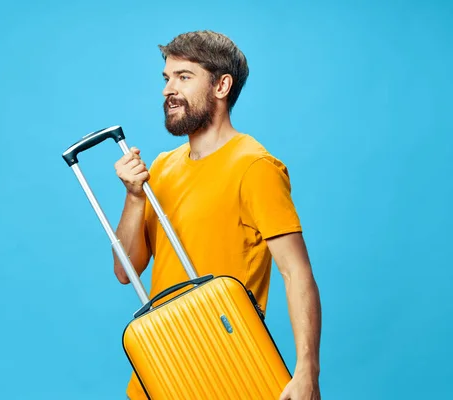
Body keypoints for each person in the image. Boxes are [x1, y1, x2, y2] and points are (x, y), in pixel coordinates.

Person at [113, 30, 322, 400]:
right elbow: (125, 271)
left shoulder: (255, 166)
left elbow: (296, 272)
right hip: (159, 369)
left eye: (183, 77)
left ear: (221, 86)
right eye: (166, 78)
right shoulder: (162, 167)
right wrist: (133, 197)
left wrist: (307, 371)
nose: (167, 90)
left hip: (226, 371)